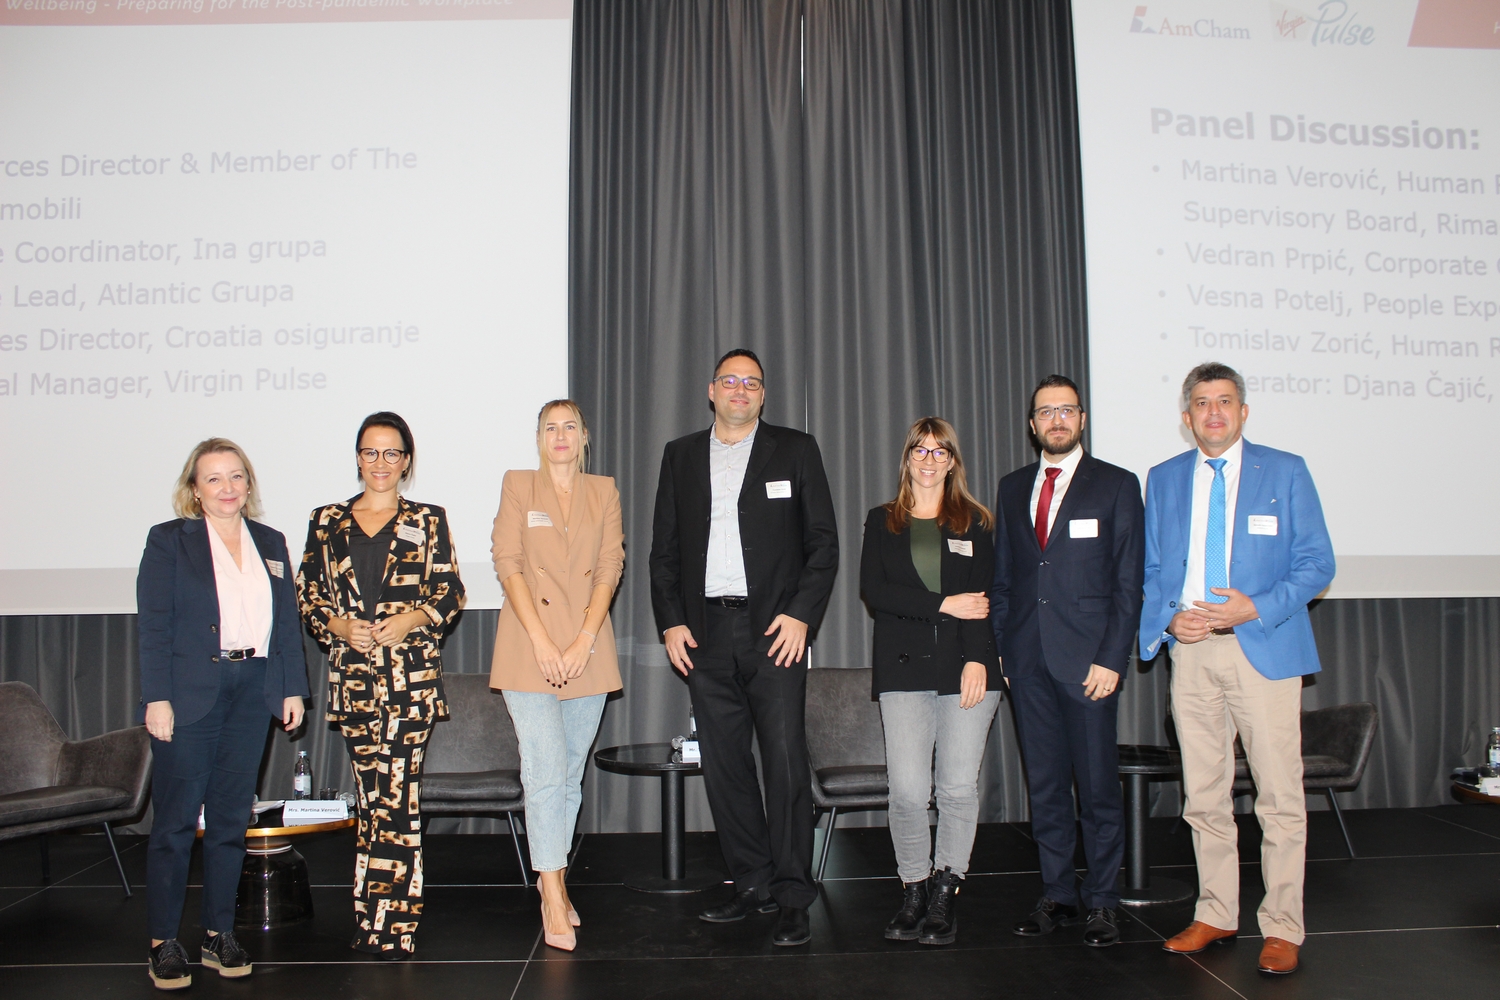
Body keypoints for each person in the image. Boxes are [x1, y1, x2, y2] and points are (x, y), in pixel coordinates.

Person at [1140, 362, 1334, 976]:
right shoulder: (1164, 478)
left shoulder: (1286, 470)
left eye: (1225, 401)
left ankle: (1282, 926)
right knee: (1204, 794)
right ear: (1187, 416)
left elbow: (1316, 563)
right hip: (1193, 652)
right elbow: (1150, 570)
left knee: (1279, 797)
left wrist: (1257, 606)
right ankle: (1217, 912)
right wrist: (1168, 622)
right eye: (1202, 403)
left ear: (1243, 411)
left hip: (1263, 646)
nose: (1214, 412)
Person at [648, 348, 839, 947]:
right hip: (704, 633)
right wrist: (671, 623)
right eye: (729, 380)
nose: (739, 390)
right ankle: (753, 883)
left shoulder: (796, 450)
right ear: (711, 391)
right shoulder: (680, 455)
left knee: (785, 764)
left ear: (762, 394)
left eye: (751, 383)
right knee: (725, 766)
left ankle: (793, 894)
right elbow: (663, 552)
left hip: (774, 632)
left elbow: (823, 544)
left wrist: (801, 616)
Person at [136, 438, 308, 991]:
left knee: (232, 821)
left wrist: (292, 689)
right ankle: (164, 942)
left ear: (248, 484)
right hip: (190, 694)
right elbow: (154, 626)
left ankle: (217, 934)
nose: (227, 487)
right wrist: (157, 697)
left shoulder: (271, 542)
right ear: (194, 490)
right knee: (175, 824)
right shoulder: (169, 541)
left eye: (236, 476)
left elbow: (286, 623)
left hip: (254, 688)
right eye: (213, 478)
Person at [296, 412, 465, 960]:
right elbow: (308, 595)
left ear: (406, 461)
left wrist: (411, 619)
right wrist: (339, 626)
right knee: (371, 802)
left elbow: (450, 592)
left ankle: (396, 922)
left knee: (398, 799)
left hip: (410, 683)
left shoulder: (428, 519)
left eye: (392, 453)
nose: (381, 463)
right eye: (371, 452)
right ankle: (371, 916)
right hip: (354, 682)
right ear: (358, 458)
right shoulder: (327, 521)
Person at [990, 375, 1144, 948]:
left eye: (1066, 410)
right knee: (1046, 787)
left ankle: (1103, 900)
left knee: (1098, 789)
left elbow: (1128, 583)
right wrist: (1004, 648)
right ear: (1032, 425)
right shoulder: (1012, 487)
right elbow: (1004, 577)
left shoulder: (1117, 484)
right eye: (1046, 412)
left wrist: (1112, 658)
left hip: (1089, 665)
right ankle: (1057, 893)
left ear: (1081, 418)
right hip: (1027, 661)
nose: (1056, 419)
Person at [859, 417, 1001, 947]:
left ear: (952, 462)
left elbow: (983, 600)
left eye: (940, 451)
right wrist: (943, 604)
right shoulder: (882, 520)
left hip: (968, 668)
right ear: (907, 458)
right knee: (908, 791)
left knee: (958, 788)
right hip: (903, 669)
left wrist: (978, 659)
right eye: (920, 449)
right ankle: (913, 887)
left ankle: (945, 890)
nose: (929, 459)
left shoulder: (976, 522)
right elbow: (876, 592)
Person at [489, 399, 624, 952]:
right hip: (529, 646)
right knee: (544, 770)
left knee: (568, 775)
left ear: (585, 436)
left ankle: (557, 877)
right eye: (551, 427)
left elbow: (610, 564)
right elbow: (507, 561)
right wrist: (543, 641)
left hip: (587, 648)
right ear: (539, 437)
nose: (561, 435)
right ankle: (550, 893)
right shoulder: (519, 484)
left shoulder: (603, 490)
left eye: (570, 426)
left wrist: (585, 638)